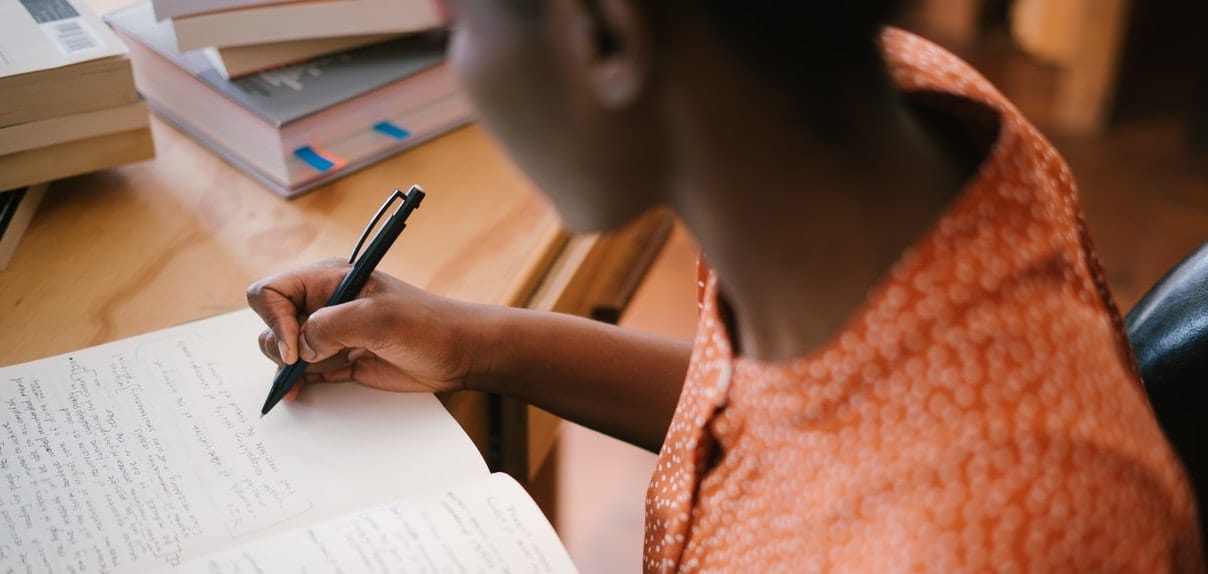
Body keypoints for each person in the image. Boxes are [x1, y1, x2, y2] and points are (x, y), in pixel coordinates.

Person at [247, 0, 1204, 571]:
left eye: (454, 25)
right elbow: (776, 434)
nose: (459, 71)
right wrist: (477, 344)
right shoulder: (863, 137)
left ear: (606, 37)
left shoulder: (999, 537)